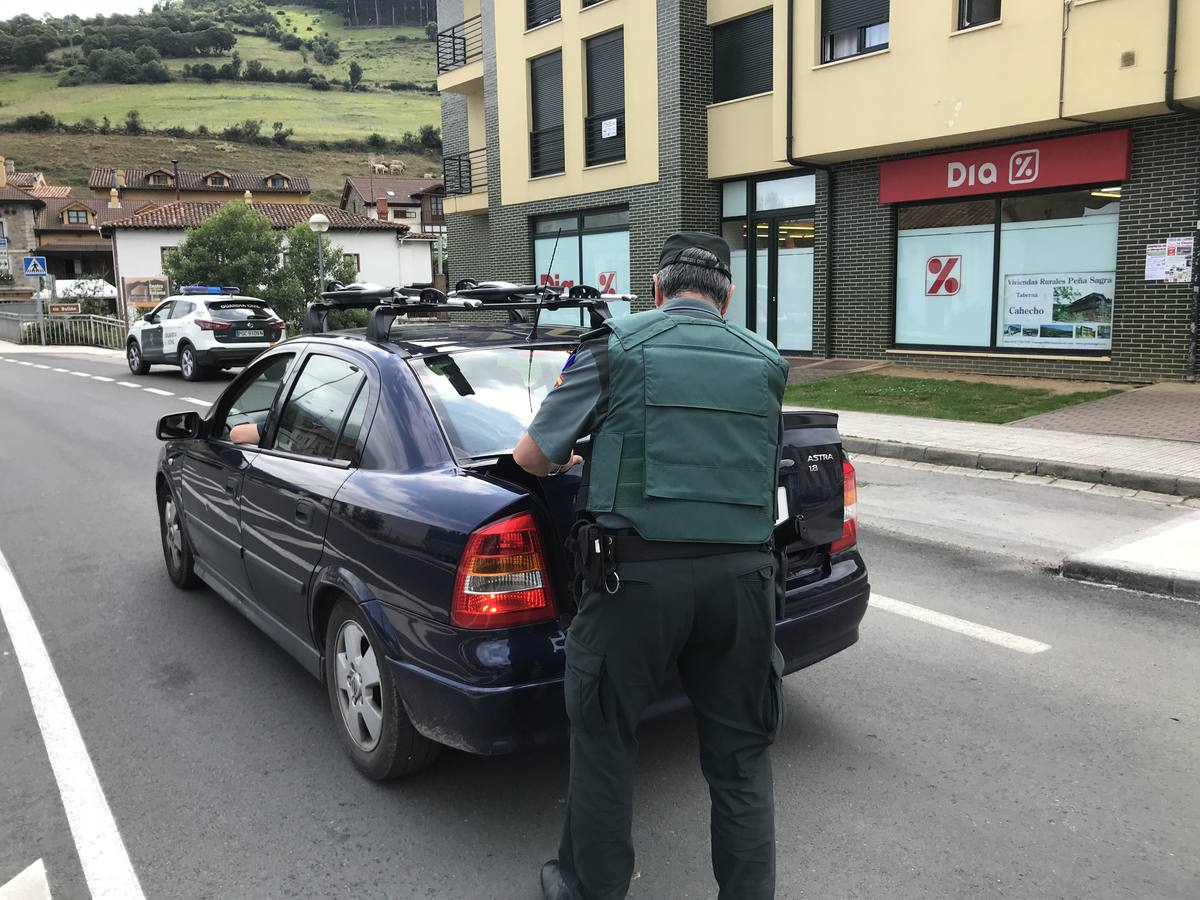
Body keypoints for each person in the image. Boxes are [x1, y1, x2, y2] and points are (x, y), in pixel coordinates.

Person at [513, 232, 790, 900]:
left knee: (606, 740)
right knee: (742, 757)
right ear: (728, 299)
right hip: (744, 584)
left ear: (658, 290)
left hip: (633, 582)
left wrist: (576, 459)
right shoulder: (767, 361)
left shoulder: (616, 343)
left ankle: (589, 888)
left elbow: (531, 458)